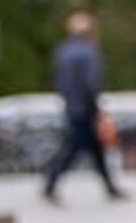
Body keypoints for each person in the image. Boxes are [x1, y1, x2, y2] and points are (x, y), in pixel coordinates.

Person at [40, 12, 125, 203]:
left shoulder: (64, 51)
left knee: (94, 149)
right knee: (73, 148)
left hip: (72, 106)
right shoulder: (88, 52)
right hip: (84, 108)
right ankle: (50, 182)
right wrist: (95, 107)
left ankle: (110, 187)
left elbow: (59, 81)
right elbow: (91, 82)